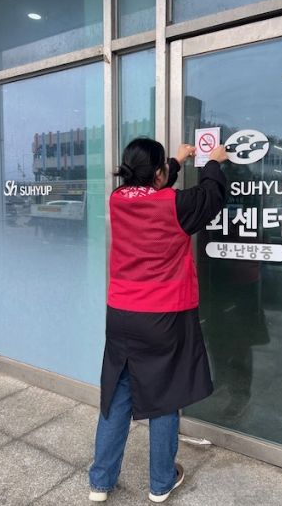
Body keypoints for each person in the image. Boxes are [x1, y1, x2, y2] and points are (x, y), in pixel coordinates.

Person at [88, 137, 228, 503]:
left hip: (121, 316)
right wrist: (213, 162)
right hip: (163, 317)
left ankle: (100, 482)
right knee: (165, 396)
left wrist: (176, 161)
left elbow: (151, 189)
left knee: (117, 395)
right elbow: (211, 196)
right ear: (159, 173)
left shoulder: (118, 199)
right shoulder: (175, 205)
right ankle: (161, 482)